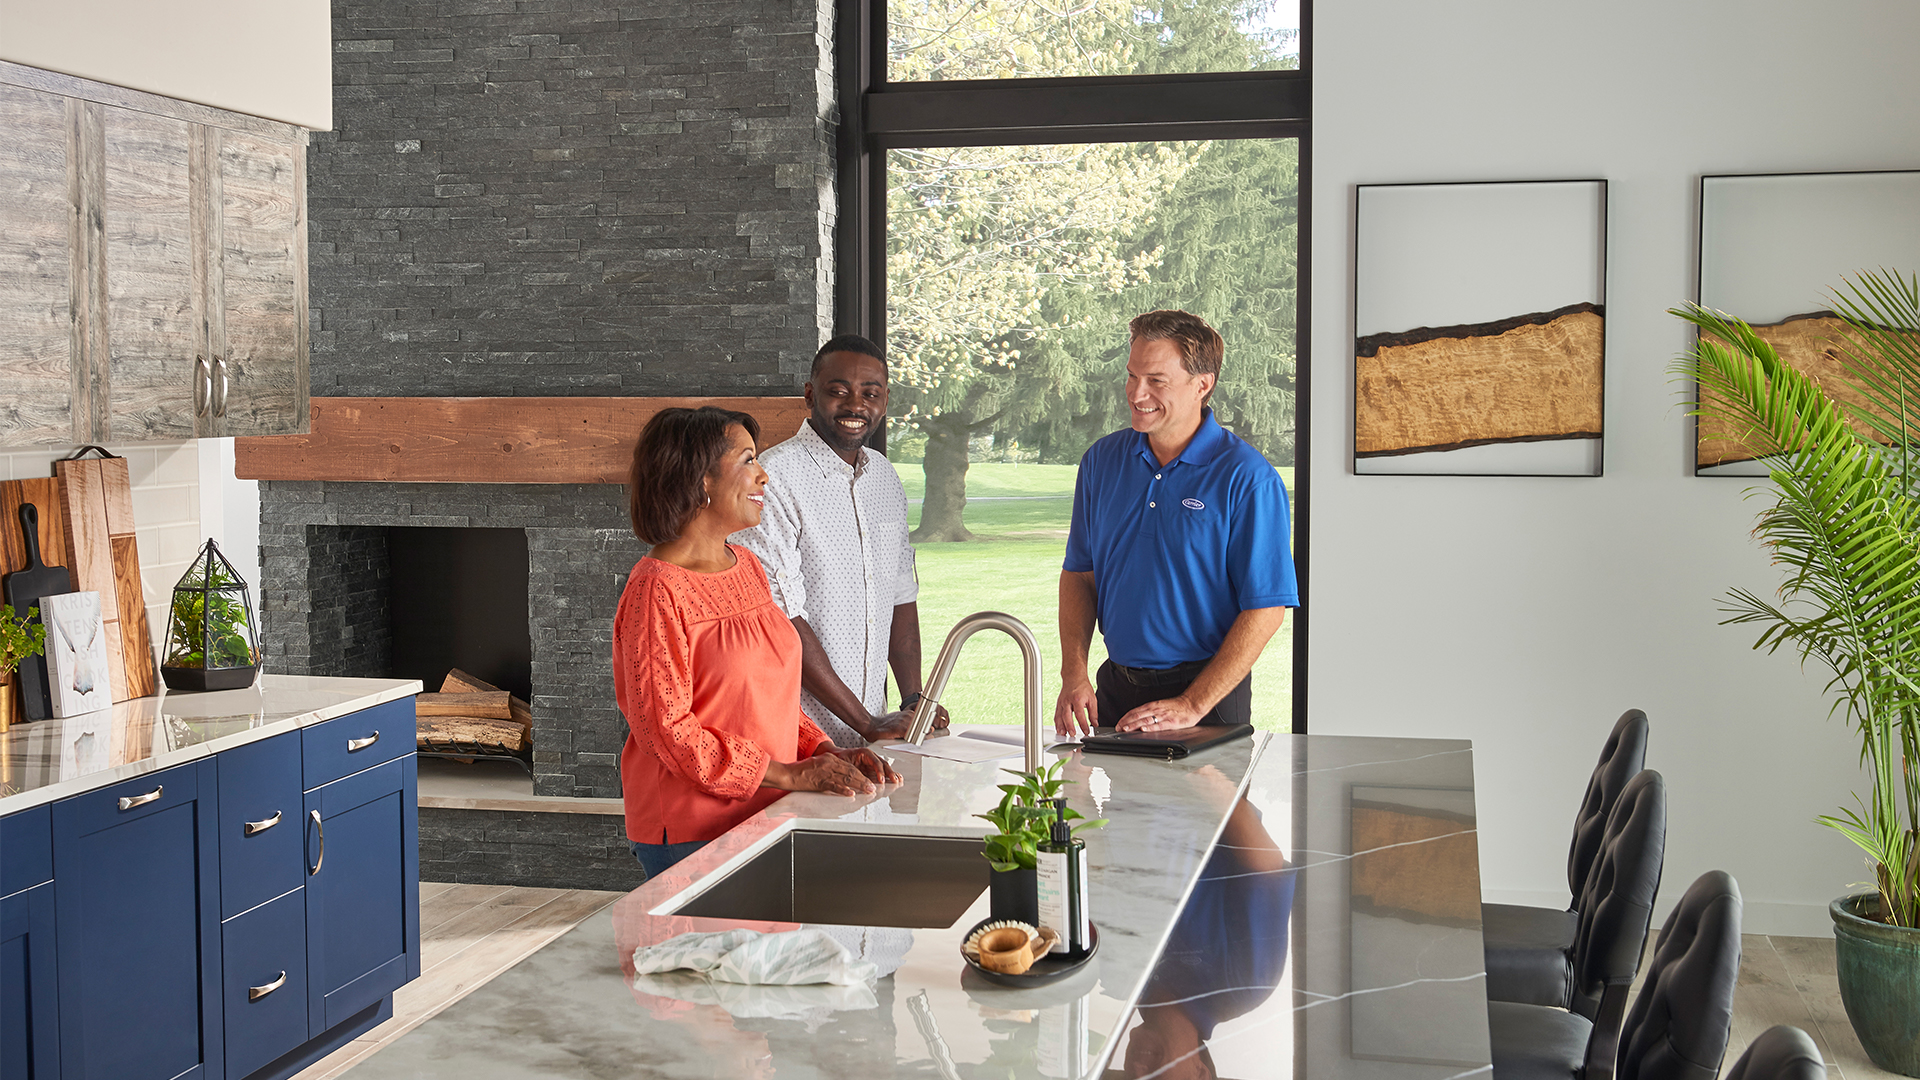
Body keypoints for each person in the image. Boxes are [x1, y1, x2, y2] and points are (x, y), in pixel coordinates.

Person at [615, 405, 900, 878]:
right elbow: (667, 731)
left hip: (765, 812)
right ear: (700, 479)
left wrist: (821, 752)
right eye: (748, 460)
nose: (763, 476)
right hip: (693, 831)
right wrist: (788, 773)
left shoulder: (746, 567)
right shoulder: (657, 589)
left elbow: (775, 693)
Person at [1054, 309, 1299, 736]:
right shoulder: (1101, 462)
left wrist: (1191, 704)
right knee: (1121, 807)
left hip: (1206, 699)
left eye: (1156, 381)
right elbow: (1080, 574)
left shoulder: (1248, 478)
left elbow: (1266, 608)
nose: (1136, 393)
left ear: (1202, 384)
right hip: (1116, 689)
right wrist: (1073, 674)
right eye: (1132, 376)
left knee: (1211, 807)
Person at [734, 335, 949, 747]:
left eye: (871, 393)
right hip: (800, 737)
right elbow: (782, 618)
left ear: (885, 400)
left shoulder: (885, 479)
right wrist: (865, 721)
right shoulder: (774, 479)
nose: (855, 405)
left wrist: (912, 699)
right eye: (838, 392)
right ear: (810, 395)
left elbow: (900, 594)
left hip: (876, 737)